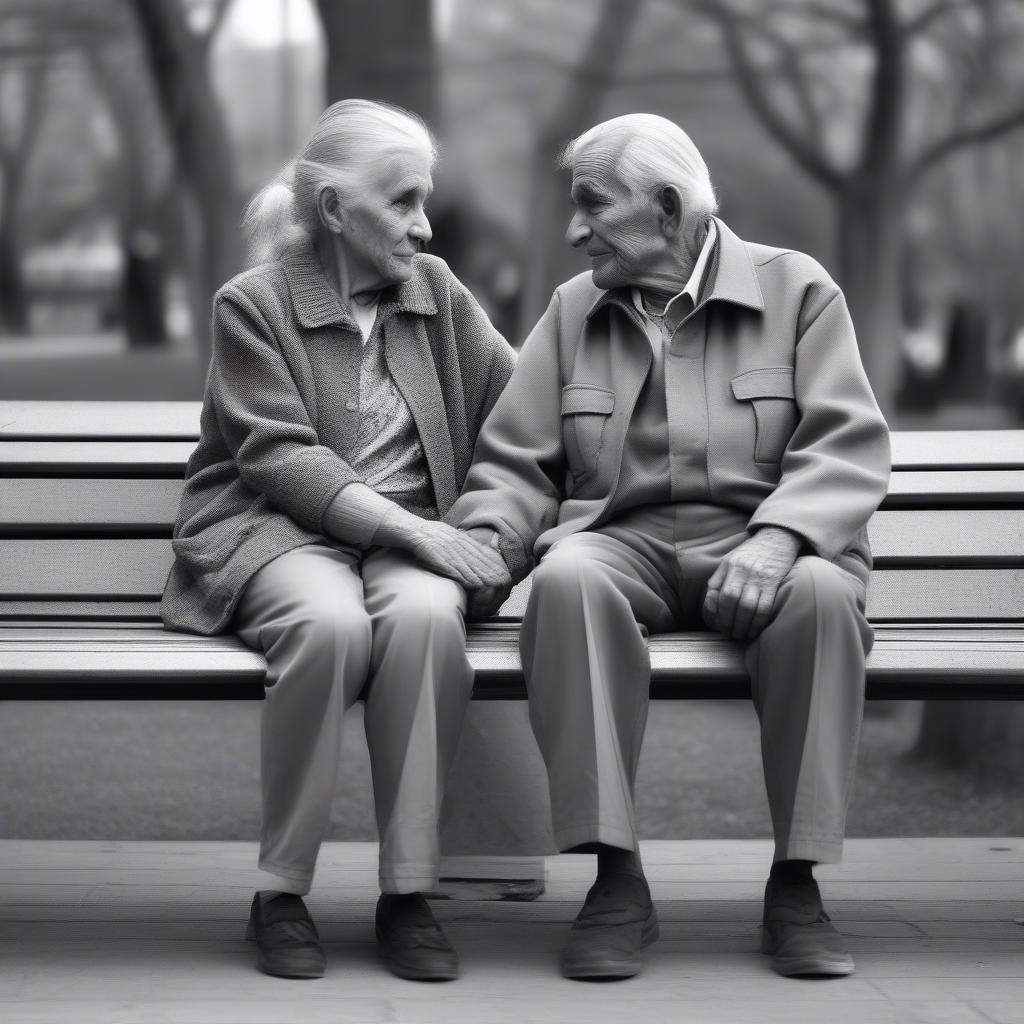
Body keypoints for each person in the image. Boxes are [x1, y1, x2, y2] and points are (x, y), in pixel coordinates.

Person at [448, 113, 891, 980]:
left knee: (825, 597)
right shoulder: (574, 310)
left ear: (666, 204)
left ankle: (796, 885)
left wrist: (779, 540)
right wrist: (486, 547)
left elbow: (846, 444)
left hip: (770, 540)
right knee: (569, 579)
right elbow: (515, 464)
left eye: (591, 206)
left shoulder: (797, 290)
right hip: (627, 543)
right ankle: (618, 881)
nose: (574, 230)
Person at [160, 100, 514, 981]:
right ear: (331, 210)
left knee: (429, 622)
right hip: (274, 529)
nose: (423, 225)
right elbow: (278, 457)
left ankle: (408, 892)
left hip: (409, 541)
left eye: (424, 201)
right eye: (401, 202)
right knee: (329, 628)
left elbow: (523, 399)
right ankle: (281, 892)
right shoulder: (255, 305)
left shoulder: (437, 293)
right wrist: (413, 530)